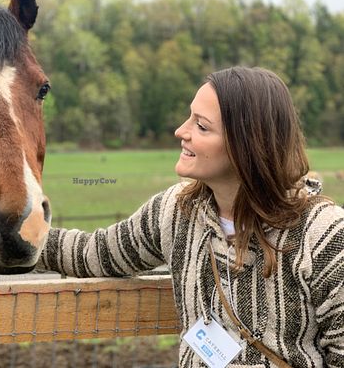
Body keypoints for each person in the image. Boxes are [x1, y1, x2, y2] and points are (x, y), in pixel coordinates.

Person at [39, 66, 344, 367]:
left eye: (201, 126)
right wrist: (16, 234)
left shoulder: (324, 236)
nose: (180, 132)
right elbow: (94, 253)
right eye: (190, 118)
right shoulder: (176, 211)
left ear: (246, 144)